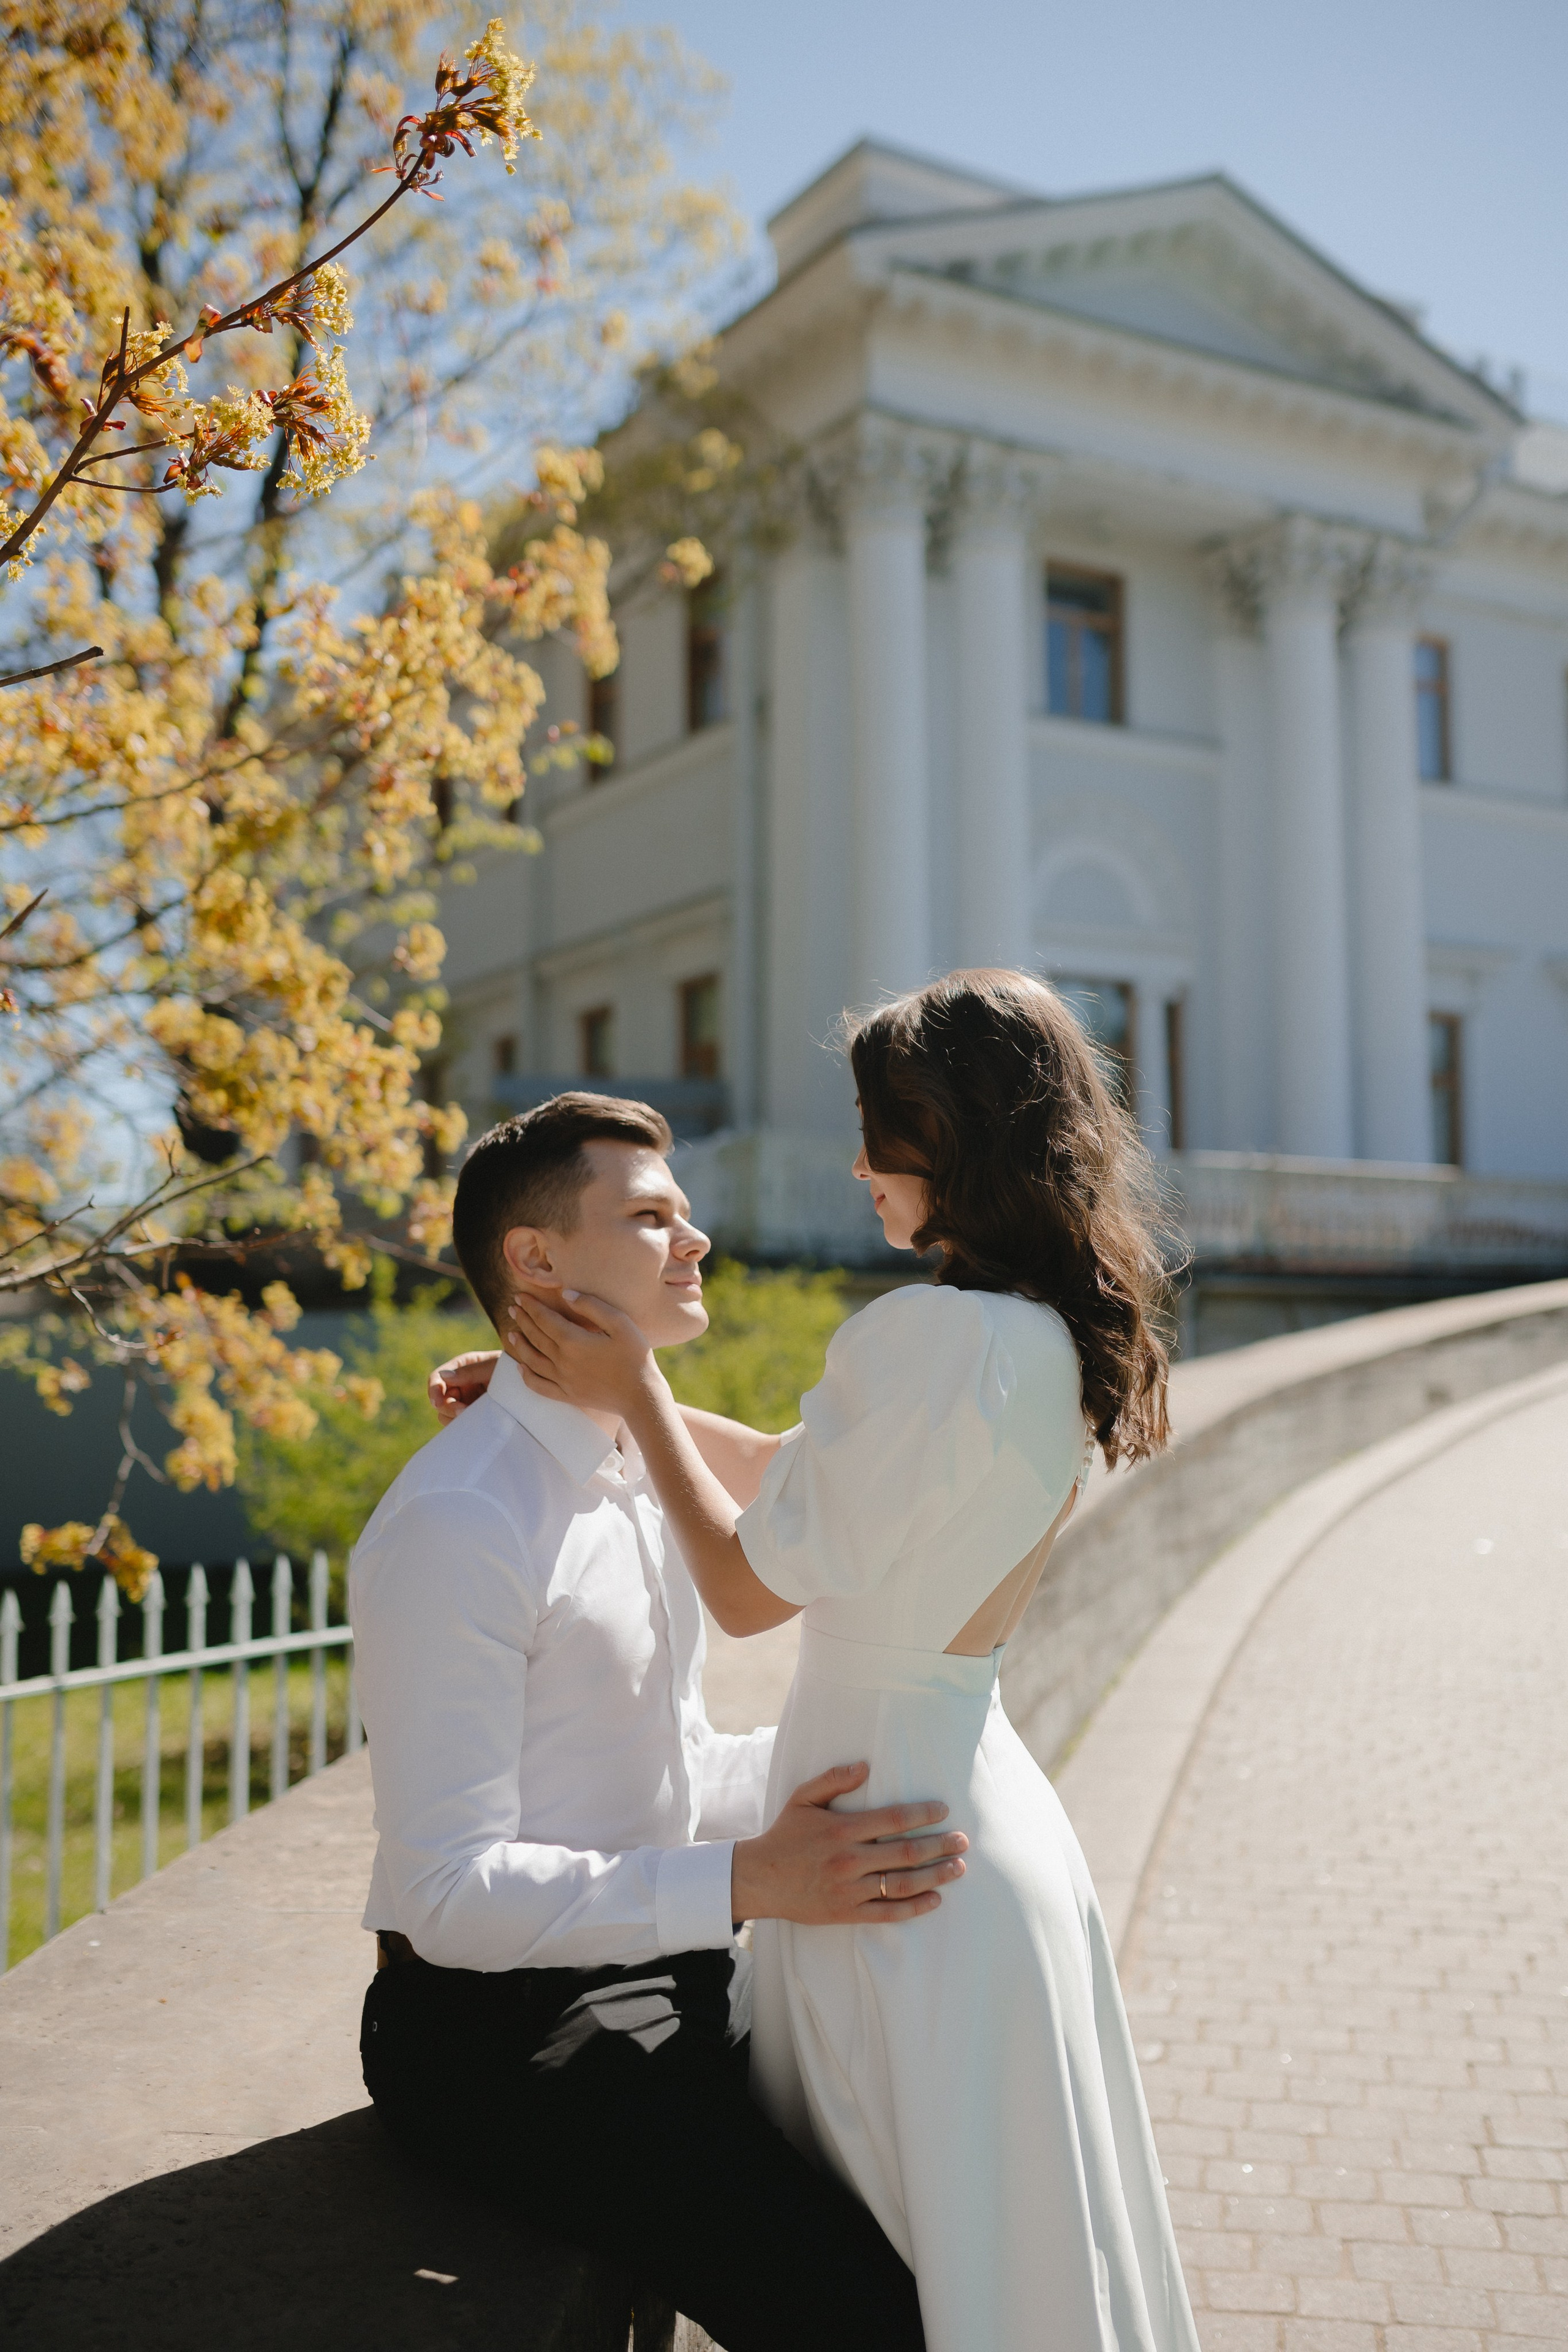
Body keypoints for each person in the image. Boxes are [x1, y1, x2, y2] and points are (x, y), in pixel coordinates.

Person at [455, 973, 1201, 2352]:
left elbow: (744, 1588)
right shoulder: (1026, 1335)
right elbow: (806, 1482)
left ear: (947, 1132)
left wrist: (625, 1397)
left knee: (909, 2284)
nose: (859, 1163)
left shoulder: (919, 1336)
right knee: (1007, 2267)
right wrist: (616, 1401)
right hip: (961, 1812)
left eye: (879, 1127)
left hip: (891, 1865)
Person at [351, 1090, 954, 2352]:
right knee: (866, 2313)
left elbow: (660, 1764)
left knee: (941, 2192)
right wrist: (751, 1876)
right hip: (491, 2032)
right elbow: (446, 1893)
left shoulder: (627, 1469)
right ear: (536, 1260)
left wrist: (835, 1803)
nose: (696, 1243)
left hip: (654, 1969)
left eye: (682, 1214)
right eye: (647, 1216)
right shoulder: (465, 1519)